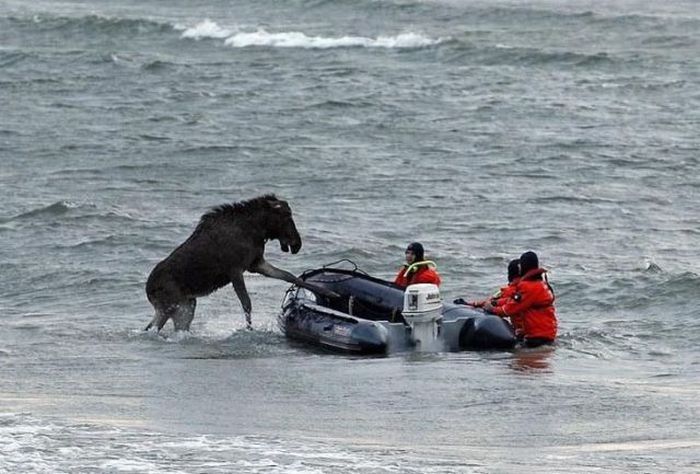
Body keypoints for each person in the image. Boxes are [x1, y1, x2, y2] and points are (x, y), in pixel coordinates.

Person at [482, 251, 557, 347]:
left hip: (537, 338)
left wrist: (492, 309)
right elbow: (515, 301)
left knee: (517, 359)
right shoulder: (542, 284)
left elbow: (509, 309)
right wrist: (496, 303)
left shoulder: (528, 287)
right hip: (547, 334)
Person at [454, 259, 521, 308]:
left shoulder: (510, 291)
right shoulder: (512, 289)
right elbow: (492, 302)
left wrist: (471, 304)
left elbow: (492, 303)